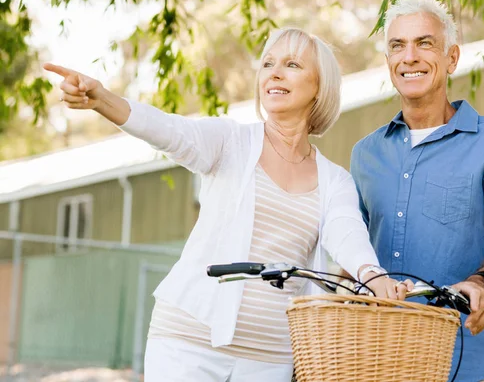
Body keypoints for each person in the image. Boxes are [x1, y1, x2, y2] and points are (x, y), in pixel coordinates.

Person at [44, 27, 412, 382]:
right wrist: (103, 100)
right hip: (188, 342)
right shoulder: (230, 142)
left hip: (271, 359)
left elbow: (346, 232)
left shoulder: (334, 181)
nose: (274, 73)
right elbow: (170, 131)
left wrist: (373, 275)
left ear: (320, 87)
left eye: (292, 65)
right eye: (267, 64)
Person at [350, 0, 484, 382]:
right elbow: (351, 253)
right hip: (375, 363)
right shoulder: (365, 154)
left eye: (425, 43)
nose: (410, 57)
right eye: (397, 46)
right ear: (388, 61)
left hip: (464, 363)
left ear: (452, 58)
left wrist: (481, 281)